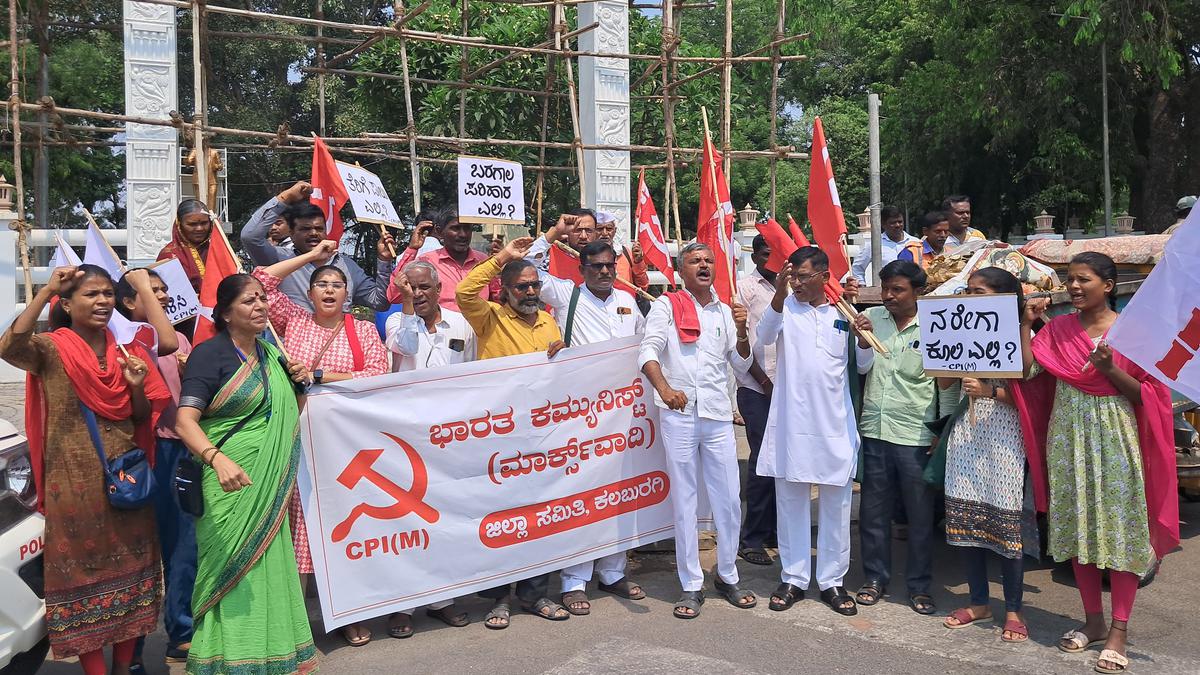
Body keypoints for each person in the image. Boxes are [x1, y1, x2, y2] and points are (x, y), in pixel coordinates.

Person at [1, 265, 171, 675]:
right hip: (72, 489)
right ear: (68, 303)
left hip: (126, 481)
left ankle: (124, 667)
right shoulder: (51, 349)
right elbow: (9, 346)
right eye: (90, 295)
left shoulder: (129, 351)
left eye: (107, 294)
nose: (102, 302)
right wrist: (44, 292)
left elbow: (142, 417)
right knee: (81, 586)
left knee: (132, 580)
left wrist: (134, 385)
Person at [1015, 252, 1177, 674]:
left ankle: (1119, 629)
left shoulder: (1133, 334)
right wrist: (1027, 324)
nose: (1073, 287)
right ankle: (1093, 620)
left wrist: (1110, 370)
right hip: (1068, 440)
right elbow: (1027, 372)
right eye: (1070, 280)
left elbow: (1149, 396)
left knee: (1121, 535)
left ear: (1107, 285)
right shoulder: (1058, 330)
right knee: (1079, 530)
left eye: (1083, 279)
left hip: (1116, 440)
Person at [174, 273, 317, 675]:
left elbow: (285, 418)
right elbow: (184, 421)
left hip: (267, 482)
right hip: (226, 482)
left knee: (269, 564)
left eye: (261, 300)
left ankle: (273, 657)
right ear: (225, 312)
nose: (260, 307)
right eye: (248, 302)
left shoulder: (273, 355)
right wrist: (216, 459)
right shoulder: (209, 354)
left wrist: (299, 386)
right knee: (231, 567)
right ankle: (224, 661)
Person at [250, 240, 389, 645]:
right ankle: (295, 623)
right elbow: (262, 280)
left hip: (349, 448)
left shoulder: (362, 328)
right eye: (321, 283)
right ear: (309, 293)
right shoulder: (292, 323)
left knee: (348, 528)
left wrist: (323, 377)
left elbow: (377, 374)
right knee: (302, 532)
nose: (329, 289)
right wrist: (313, 257)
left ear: (348, 295)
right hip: (298, 439)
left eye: (337, 284)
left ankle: (349, 612)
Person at [527, 239, 647, 615]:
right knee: (580, 494)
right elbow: (527, 268)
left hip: (625, 414)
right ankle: (574, 580)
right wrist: (549, 237)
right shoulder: (566, 295)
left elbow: (646, 346)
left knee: (620, 492)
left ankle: (612, 572)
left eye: (610, 265)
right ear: (582, 269)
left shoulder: (628, 302)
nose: (605, 271)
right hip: (580, 415)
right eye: (596, 266)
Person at [638, 242, 755, 619]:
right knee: (685, 500)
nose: (704, 265)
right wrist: (666, 390)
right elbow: (648, 353)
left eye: (708, 260)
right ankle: (690, 584)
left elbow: (740, 361)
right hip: (679, 413)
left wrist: (741, 330)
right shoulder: (666, 306)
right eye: (695, 261)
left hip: (718, 414)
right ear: (680, 269)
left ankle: (727, 574)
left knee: (729, 500)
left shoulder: (725, 311)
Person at [456, 236, 568, 628]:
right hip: (499, 436)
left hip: (539, 436)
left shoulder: (548, 319)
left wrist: (561, 356)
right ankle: (498, 598)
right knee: (501, 517)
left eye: (535, 285)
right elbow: (462, 289)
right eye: (522, 286)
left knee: (539, 516)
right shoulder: (488, 316)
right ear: (505, 291)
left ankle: (534, 595)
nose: (531, 292)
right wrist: (503, 257)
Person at [757, 248, 867, 617]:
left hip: (834, 423)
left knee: (837, 504)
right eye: (794, 277)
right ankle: (794, 577)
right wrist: (778, 292)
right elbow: (764, 337)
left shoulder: (843, 312)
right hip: (793, 423)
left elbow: (864, 362)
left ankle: (833, 581)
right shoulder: (785, 309)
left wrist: (863, 338)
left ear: (824, 276)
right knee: (791, 502)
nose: (798, 284)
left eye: (804, 277)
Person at [940, 267, 1048, 643]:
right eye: (968, 291)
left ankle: (1014, 609)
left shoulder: (1025, 335)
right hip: (967, 436)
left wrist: (990, 391)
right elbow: (941, 380)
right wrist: (950, 351)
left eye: (979, 292)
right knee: (966, 522)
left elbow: (1030, 394)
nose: (970, 298)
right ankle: (979, 602)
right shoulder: (961, 329)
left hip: (1006, 439)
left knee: (1006, 528)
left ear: (1004, 297)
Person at [115, 269, 196, 667]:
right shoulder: (122, 341)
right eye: (151, 290)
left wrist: (189, 374)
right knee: (138, 552)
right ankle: (129, 647)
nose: (162, 296)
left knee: (184, 546)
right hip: (139, 454)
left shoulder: (181, 339)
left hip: (181, 450)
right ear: (128, 303)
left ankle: (181, 632)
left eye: (163, 289)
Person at [854, 261, 941, 616]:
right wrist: (860, 339)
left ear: (917, 291)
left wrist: (941, 431)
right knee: (873, 513)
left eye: (897, 290)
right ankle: (875, 579)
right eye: (885, 288)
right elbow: (859, 366)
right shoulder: (871, 318)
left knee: (920, 517)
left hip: (916, 434)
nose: (889, 295)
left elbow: (944, 382)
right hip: (875, 430)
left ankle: (919, 586)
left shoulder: (937, 323)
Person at [241, 180, 397, 313]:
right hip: (292, 345)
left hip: (339, 345)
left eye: (319, 228)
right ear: (291, 233)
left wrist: (384, 261)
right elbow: (250, 237)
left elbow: (379, 302)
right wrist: (285, 198)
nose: (314, 233)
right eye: (305, 229)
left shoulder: (347, 265)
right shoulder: (278, 259)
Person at [734, 235, 779, 567]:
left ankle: (776, 530)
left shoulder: (795, 287)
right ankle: (751, 538)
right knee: (762, 461)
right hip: (756, 387)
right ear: (756, 254)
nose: (772, 258)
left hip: (788, 389)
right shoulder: (746, 288)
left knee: (785, 462)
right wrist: (763, 381)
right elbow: (742, 341)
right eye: (766, 253)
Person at [387, 207, 500, 311]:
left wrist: (501, 264)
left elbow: (499, 299)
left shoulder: (484, 262)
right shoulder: (426, 262)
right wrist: (412, 249)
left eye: (467, 228)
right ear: (440, 231)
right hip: (441, 331)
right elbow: (395, 295)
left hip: (480, 330)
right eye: (455, 228)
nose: (463, 234)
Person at [386, 261, 478, 372]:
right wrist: (406, 299)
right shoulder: (396, 321)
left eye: (424, 287)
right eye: (411, 288)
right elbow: (407, 347)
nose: (417, 294)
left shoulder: (461, 323)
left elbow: (470, 367)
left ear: (438, 288)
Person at [157, 199, 215, 294]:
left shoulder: (217, 251)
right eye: (192, 224)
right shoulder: (168, 256)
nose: (199, 228)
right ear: (179, 225)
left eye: (204, 223)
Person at [851, 206, 920, 283]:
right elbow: (857, 267)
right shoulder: (874, 245)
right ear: (883, 224)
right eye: (893, 223)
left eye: (900, 222)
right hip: (885, 291)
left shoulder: (916, 243)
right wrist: (861, 285)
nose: (897, 225)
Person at [593, 211, 651, 290]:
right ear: (593, 231)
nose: (604, 233)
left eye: (609, 229)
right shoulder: (587, 255)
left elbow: (643, 286)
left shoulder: (625, 253)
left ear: (615, 230)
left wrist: (638, 262)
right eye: (599, 229)